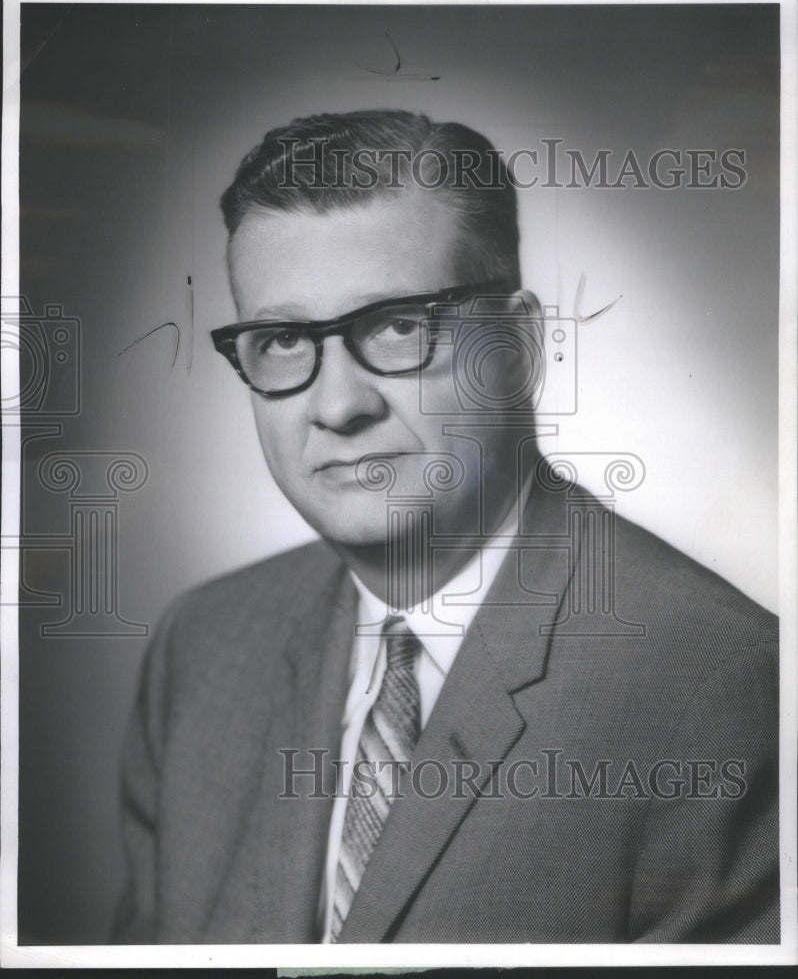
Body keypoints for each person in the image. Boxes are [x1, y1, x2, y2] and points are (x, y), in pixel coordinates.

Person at [112, 110, 779, 944]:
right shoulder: (202, 646)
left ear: (521, 347)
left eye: (398, 327)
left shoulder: (720, 687)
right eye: (284, 339)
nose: (338, 405)